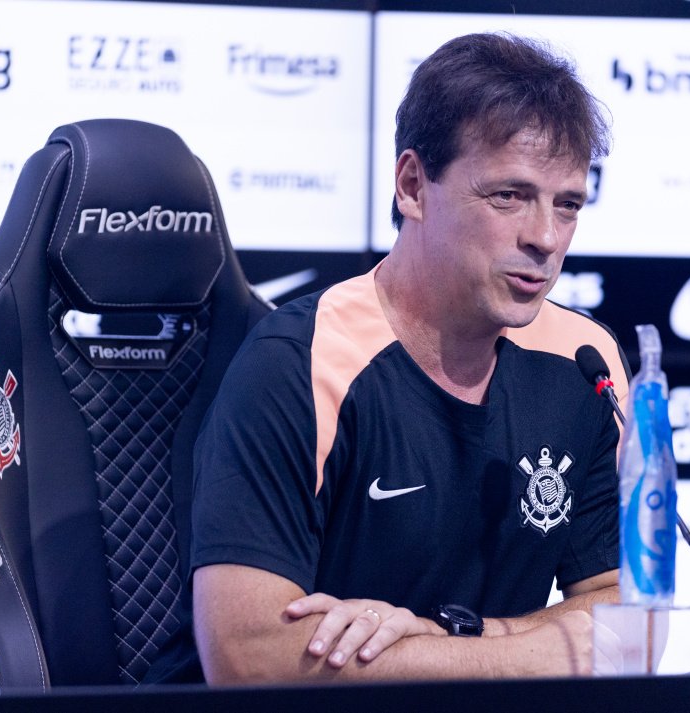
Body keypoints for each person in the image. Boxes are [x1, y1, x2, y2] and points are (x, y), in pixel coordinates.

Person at [190, 31, 630, 684]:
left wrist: (456, 634)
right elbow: (247, 656)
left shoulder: (584, 362)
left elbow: (628, 632)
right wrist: (531, 646)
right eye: (508, 196)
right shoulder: (298, 363)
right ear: (412, 186)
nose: (543, 237)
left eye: (566, 204)